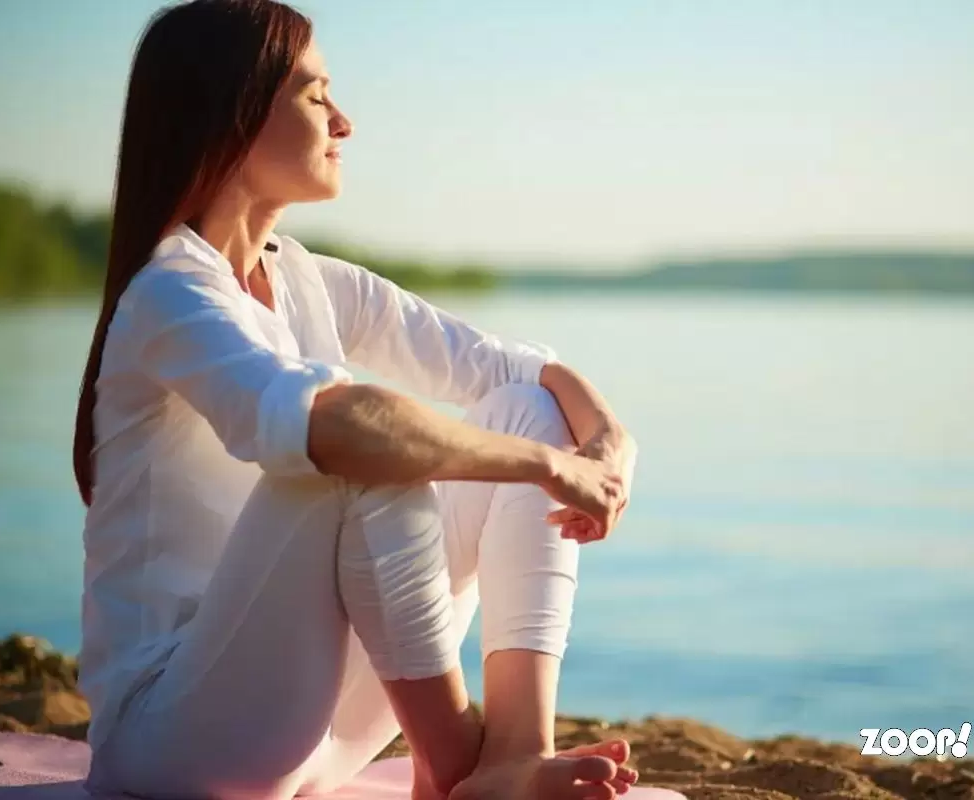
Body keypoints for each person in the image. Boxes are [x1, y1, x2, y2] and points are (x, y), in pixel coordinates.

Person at [69, 1, 639, 798]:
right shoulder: (171, 291)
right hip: (178, 741)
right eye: (314, 95)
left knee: (518, 408)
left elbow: (522, 372)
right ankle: (452, 764)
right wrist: (549, 467)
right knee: (356, 448)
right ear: (230, 115)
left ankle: (511, 752)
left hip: (322, 732)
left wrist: (606, 442)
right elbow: (339, 426)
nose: (344, 121)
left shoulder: (305, 276)